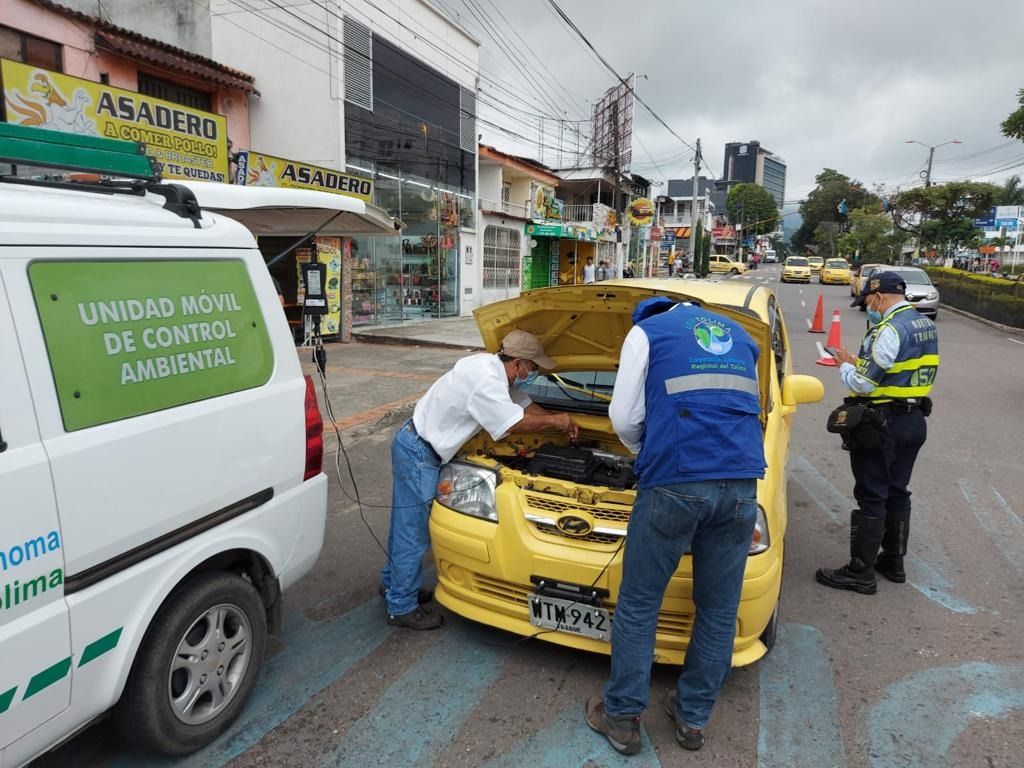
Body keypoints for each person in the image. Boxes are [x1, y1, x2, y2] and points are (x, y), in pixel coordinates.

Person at [585, 296, 766, 755]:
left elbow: (623, 416)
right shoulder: (742, 338)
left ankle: (622, 717)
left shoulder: (647, 331)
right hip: (742, 485)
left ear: (648, 314)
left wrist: (641, 452)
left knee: (640, 602)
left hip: (676, 481)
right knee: (719, 608)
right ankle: (692, 720)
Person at [381, 330, 579, 629]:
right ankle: (402, 606)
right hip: (420, 455)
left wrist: (561, 420)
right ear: (519, 364)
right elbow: (512, 422)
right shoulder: (487, 382)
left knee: (404, 526)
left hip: (414, 444)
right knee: (413, 532)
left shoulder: (487, 366)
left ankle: (393, 584)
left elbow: (522, 404)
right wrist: (555, 422)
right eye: (533, 368)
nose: (533, 374)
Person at [817, 272, 939, 594]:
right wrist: (857, 360)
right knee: (898, 490)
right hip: (913, 419)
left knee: (872, 493)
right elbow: (898, 368)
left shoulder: (887, 329)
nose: (867, 307)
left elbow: (863, 383)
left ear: (880, 297)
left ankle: (861, 572)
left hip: (882, 423)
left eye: (868, 301)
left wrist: (844, 367)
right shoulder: (924, 324)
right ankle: (893, 562)